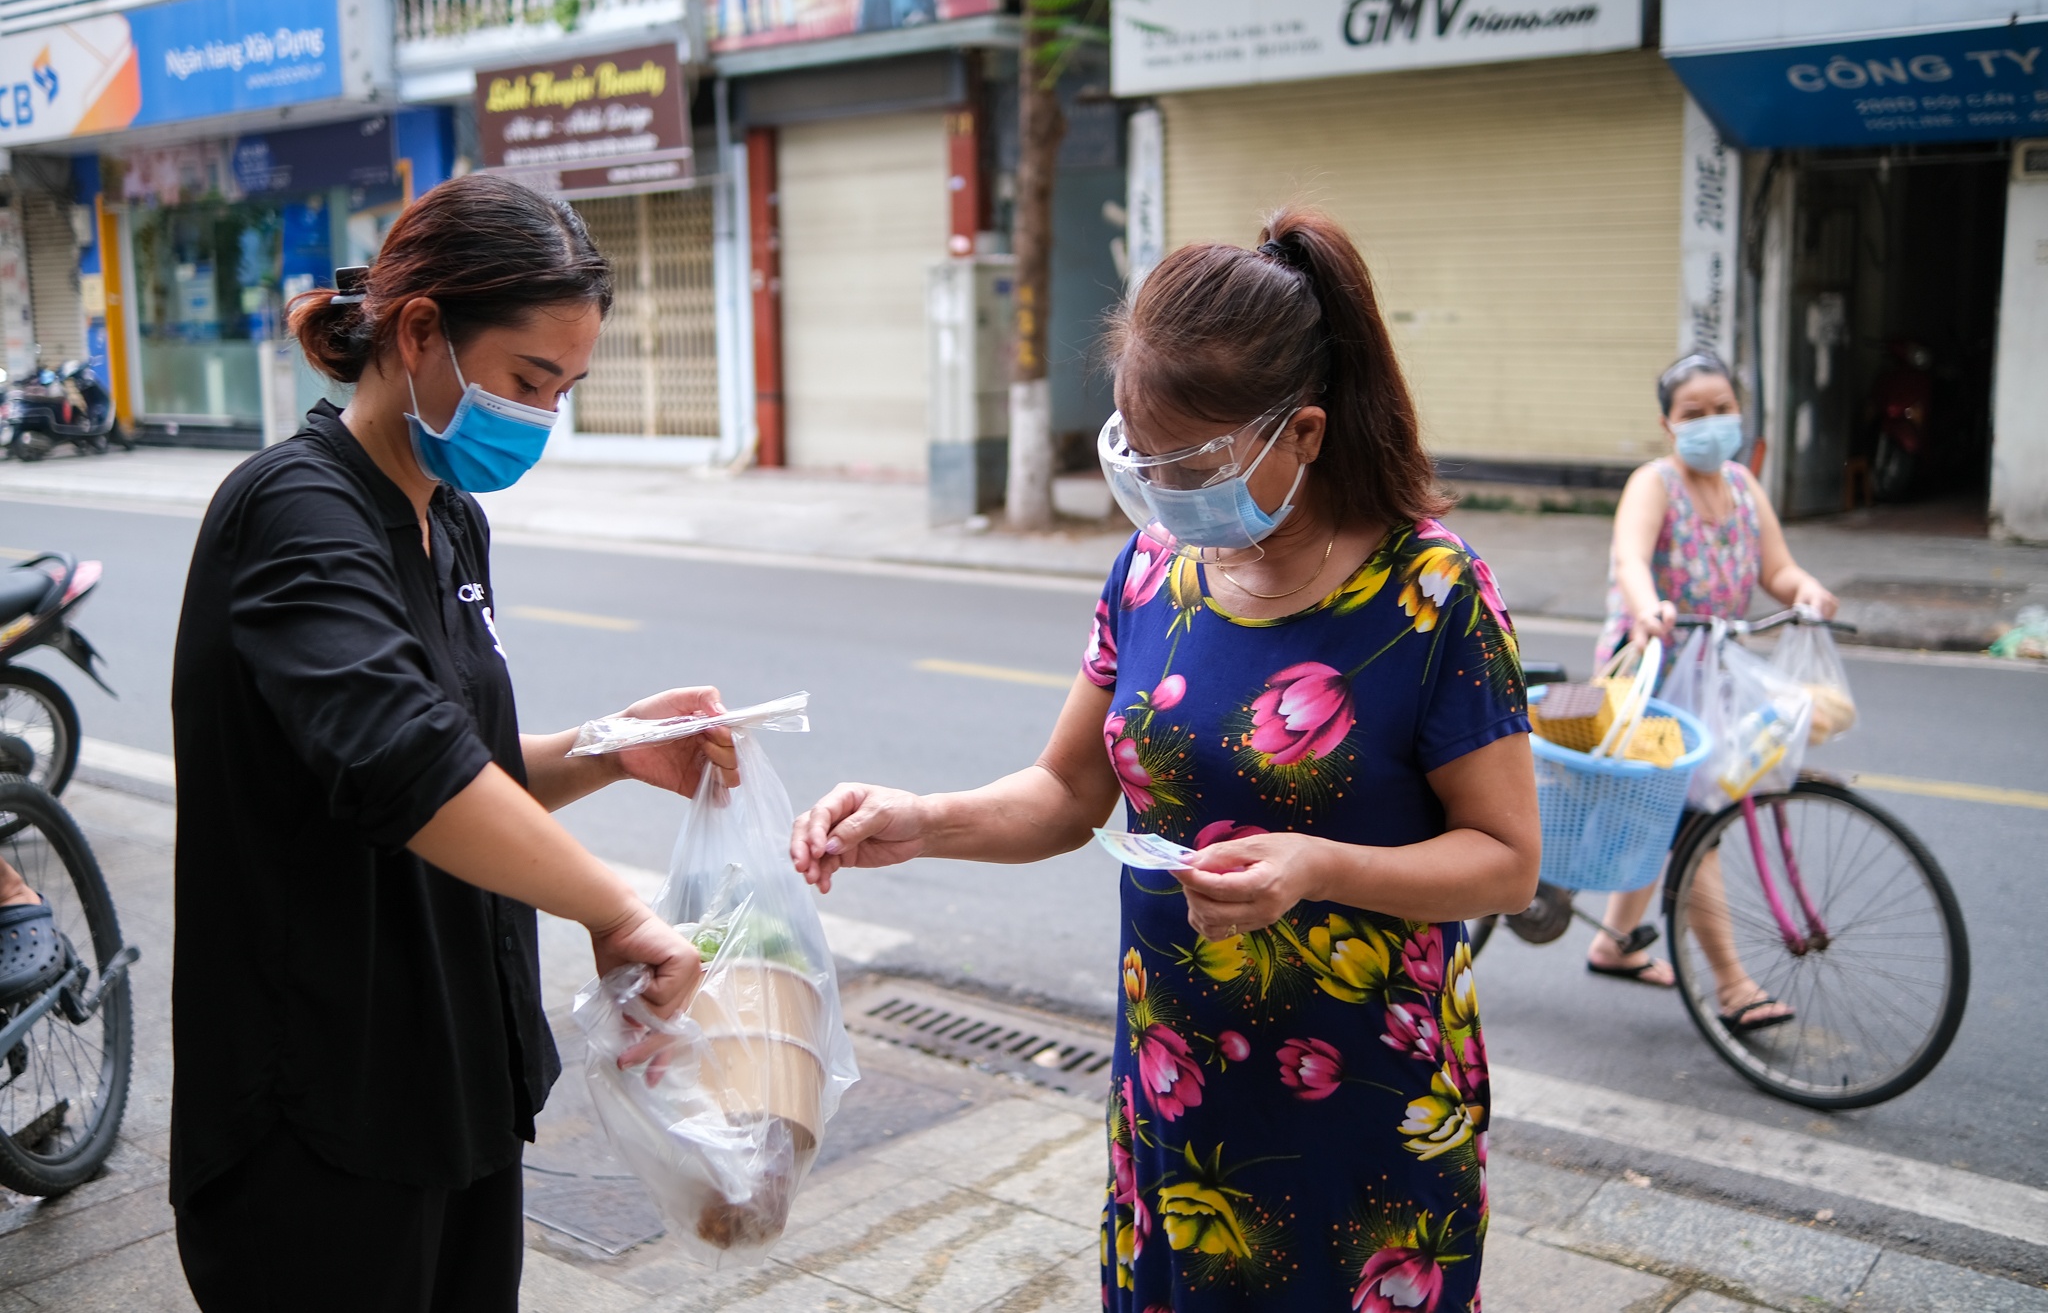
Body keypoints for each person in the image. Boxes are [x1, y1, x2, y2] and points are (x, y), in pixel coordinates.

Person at [789, 210, 1539, 1311]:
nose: (1160, 489)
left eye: (1189, 460)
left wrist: (1318, 867)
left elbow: (1506, 861)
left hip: (1362, 1101)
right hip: (1177, 1091)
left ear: (1306, 433)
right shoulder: (1151, 569)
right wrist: (923, 819)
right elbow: (1061, 791)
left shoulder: (1430, 592)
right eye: (1139, 453)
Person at [169, 174, 734, 1312]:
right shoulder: (293, 510)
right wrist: (615, 912)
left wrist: (615, 744)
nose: (543, 417)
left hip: (454, 1082)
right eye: (531, 380)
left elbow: (463, 754)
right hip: (324, 1099)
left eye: (565, 390)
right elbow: (402, 764)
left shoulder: (445, 513)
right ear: (419, 328)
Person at [1585, 351, 1838, 1031]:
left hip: (1716, 675)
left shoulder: (1744, 488)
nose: (1710, 422)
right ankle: (1732, 986)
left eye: (1720, 407)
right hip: (1651, 672)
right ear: (1669, 424)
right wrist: (1647, 606)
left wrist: (1805, 590)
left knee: (1670, 814)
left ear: (1739, 410)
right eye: (1692, 412)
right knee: (1696, 821)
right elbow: (1631, 559)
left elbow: (1778, 570)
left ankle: (1614, 940)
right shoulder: (1655, 483)